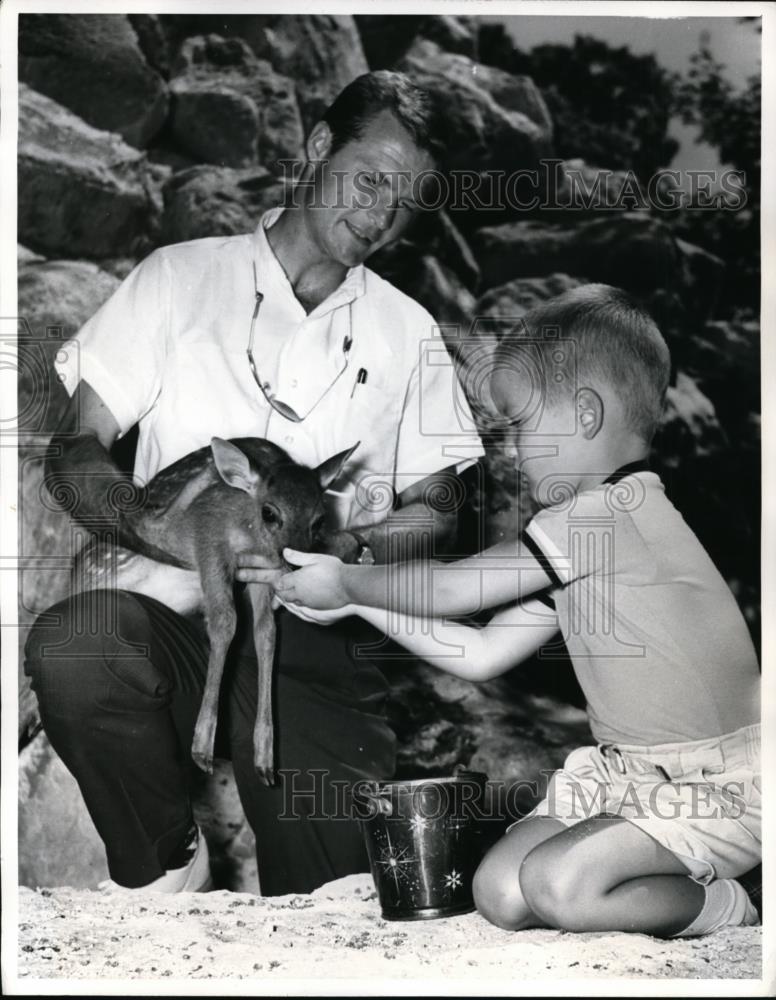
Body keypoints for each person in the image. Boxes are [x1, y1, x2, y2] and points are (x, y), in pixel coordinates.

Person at [24, 71, 484, 895]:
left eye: (407, 198)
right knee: (75, 645)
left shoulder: (408, 330)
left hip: (316, 637)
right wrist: (149, 524)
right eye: (369, 178)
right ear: (315, 148)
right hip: (169, 618)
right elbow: (73, 449)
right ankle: (169, 858)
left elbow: (437, 513)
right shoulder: (179, 277)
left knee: (339, 905)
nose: (382, 214)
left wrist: (345, 548)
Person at [246, 284, 762, 937]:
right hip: (622, 776)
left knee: (557, 886)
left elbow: (455, 588)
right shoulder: (590, 539)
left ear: (583, 413)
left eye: (519, 423)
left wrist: (349, 583)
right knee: (500, 892)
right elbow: (483, 650)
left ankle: (732, 905)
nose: (511, 448)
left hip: (713, 787)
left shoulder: (609, 514)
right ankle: (659, 876)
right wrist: (362, 601)